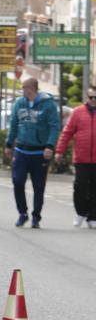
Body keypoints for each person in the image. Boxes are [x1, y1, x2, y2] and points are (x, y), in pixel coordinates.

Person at [5, 78, 60, 228]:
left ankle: (36, 216)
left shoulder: (48, 105)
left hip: (39, 152)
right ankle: (22, 213)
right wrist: (9, 143)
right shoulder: (19, 103)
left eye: (25, 87)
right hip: (22, 150)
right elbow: (14, 124)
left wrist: (49, 146)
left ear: (33, 88)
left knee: (39, 186)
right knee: (17, 182)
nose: (23, 90)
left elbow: (54, 126)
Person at [55, 86, 96, 228]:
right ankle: (80, 213)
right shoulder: (78, 112)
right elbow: (67, 133)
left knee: (94, 189)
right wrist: (59, 151)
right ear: (87, 97)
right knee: (80, 186)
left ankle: (93, 217)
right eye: (91, 97)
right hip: (81, 158)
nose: (94, 100)